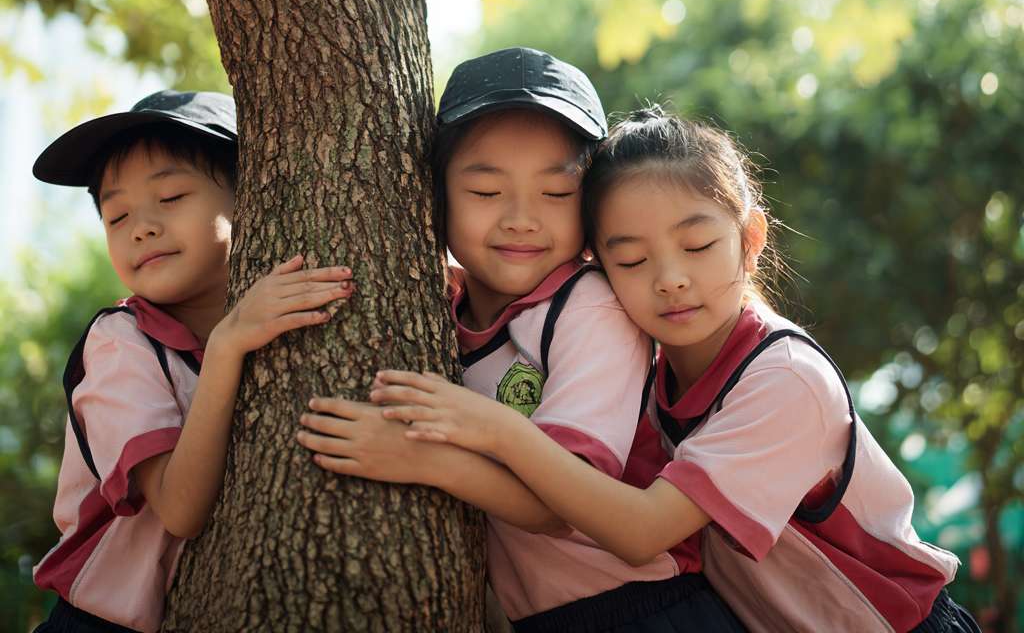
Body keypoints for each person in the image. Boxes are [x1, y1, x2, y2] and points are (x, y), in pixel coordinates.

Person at [369, 106, 980, 633]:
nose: (671, 279)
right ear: (595, 263)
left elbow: (640, 532)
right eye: (631, 259)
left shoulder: (785, 381)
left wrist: (489, 429)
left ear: (750, 237)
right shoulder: (656, 366)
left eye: (697, 246)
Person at [297, 52, 745, 632]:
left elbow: (554, 506)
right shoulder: (438, 313)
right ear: (434, 198)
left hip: (643, 606)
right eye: (485, 193)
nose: (521, 219)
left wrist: (420, 458)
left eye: (556, 195)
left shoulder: (591, 308)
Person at [31, 90, 355, 633]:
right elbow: (181, 510)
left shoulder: (264, 326)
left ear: (249, 196)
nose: (142, 227)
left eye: (173, 196)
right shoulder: (120, 344)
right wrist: (229, 344)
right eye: (117, 216)